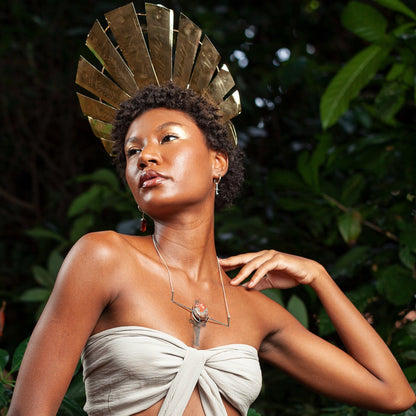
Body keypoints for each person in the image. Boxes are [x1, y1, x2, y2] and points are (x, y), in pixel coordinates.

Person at [8, 4, 416, 416]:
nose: (146, 156)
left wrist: (319, 276)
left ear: (217, 162)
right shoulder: (103, 258)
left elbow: (394, 395)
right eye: (133, 151)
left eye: (168, 138)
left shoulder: (255, 308)